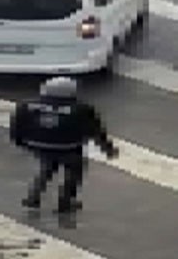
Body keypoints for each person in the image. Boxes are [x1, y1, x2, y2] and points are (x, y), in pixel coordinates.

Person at [9, 76, 118, 213]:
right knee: (75, 169)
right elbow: (96, 131)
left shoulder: (25, 106)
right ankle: (65, 201)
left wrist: (21, 143)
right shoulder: (82, 109)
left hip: (37, 145)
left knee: (47, 165)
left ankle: (33, 196)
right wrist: (107, 149)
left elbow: (16, 127)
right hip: (69, 147)